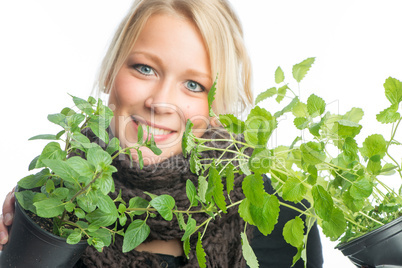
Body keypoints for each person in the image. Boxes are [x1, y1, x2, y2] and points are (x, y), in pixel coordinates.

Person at [0, 0, 323, 267]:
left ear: (218, 109)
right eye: (145, 68)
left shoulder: (278, 213)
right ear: (112, 70)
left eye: (194, 85)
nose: (161, 103)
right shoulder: (47, 200)